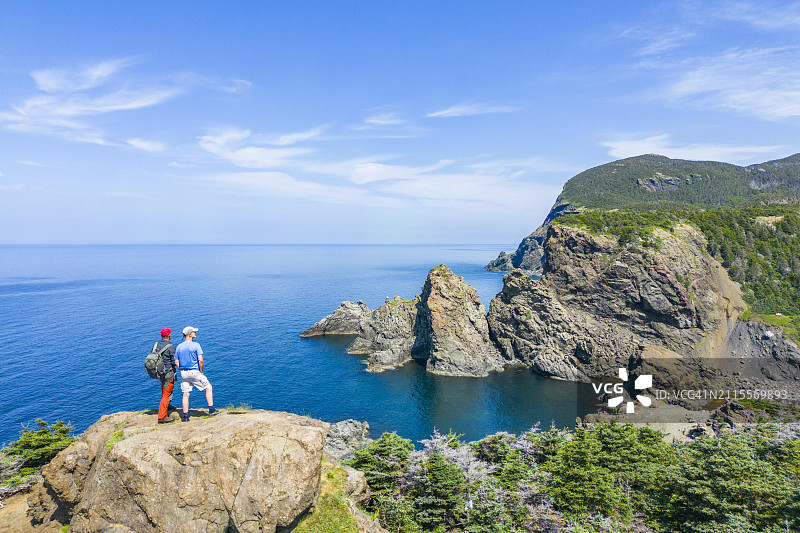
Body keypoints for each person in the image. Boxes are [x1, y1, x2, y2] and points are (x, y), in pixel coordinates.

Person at [175, 326, 216, 422]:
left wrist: (181, 370)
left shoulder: (179, 347)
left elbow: (176, 362)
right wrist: (201, 370)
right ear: (189, 334)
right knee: (208, 387)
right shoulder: (196, 345)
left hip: (184, 373)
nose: (195, 333)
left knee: (186, 394)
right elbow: (200, 360)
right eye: (194, 332)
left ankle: (185, 417)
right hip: (194, 371)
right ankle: (211, 410)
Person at [156, 328, 178, 424]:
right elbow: (174, 361)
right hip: (168, 373)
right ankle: (162, 417)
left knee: (165, 390)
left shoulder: (156, 345)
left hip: (159, 372)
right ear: (168, 335)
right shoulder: (171, 347)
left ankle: (168, 406)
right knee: (166, 393)